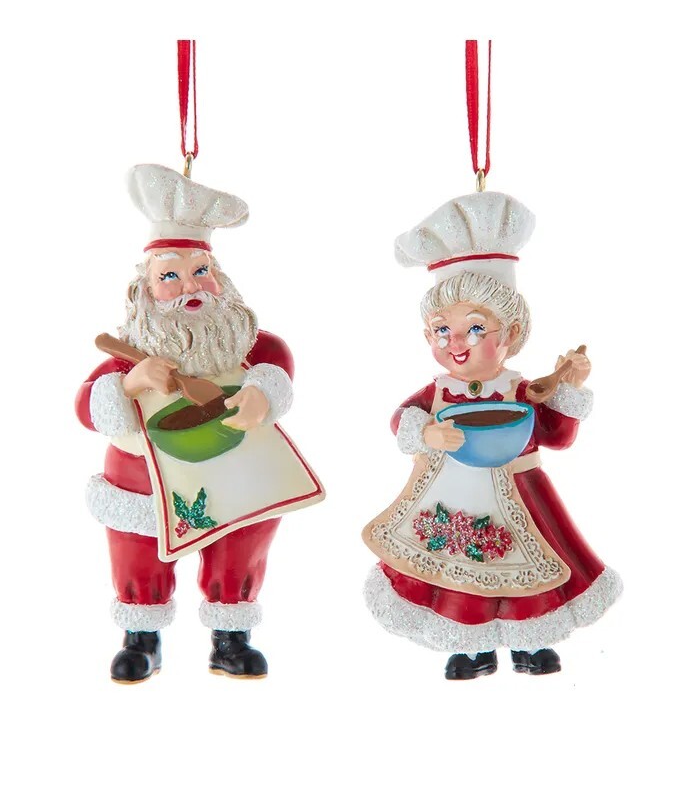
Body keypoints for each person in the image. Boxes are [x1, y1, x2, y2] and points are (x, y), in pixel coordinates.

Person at [77, 164, 323, 684]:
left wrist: (262, 394)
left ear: (220, 279)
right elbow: (86, 404)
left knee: (240, 543)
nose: (190, 287)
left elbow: (276, 362)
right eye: (169, 276)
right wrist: (131, 381)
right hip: (144, 478)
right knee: (140, 549)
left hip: (235, 467)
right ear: (144, 291)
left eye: (200, 271)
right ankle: (142, 636)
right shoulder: (129, 353)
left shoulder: (245, 341)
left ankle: (231, 637)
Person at [362, 191, 622, 679]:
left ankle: (531, 640)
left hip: (521, 491)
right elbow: (401, 419)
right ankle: (470, 645)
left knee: (530, 559)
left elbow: (557, 436)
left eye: (475, 328)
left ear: (511, 333)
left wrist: (569, 389)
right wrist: (427, 434)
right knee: (459, 564)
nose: (456, 343)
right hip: (452, 493)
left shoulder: (522, 389)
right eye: (442, 330)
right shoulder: (437, 392)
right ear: (427, 336)